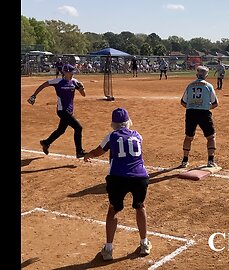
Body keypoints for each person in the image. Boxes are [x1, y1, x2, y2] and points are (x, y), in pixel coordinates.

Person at [83, 107, 152, 261]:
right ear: (128, 122)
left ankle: (108, 250)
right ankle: (144, 244)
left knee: (113, 210)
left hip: (118, 178)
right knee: (140, 206)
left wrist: (88, 155)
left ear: (113, 124)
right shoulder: (138, 135)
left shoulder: (112, 135)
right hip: (139, 176)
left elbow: (99, 151)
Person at [27, 64, 87, 158]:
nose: (72, 74)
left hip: (70, 111)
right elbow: (44, 85)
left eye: (72, 72)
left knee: (61, 130)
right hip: (62, 110)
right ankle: (79, 151)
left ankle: (46, 143)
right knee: (78, 128)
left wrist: (82, 89)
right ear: (65, 72)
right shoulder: (58, 81)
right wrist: (34, 95)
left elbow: (83, 94)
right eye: (70, 72)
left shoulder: (75, 82)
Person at [180, 66, 219, 168]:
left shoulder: (190, 86)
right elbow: (215, 103)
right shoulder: (209, 86)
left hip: (190, 113)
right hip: (204, 113)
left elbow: (183, 102)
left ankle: (184, 161)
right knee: (211, 137)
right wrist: (205, 106)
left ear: (197, 75)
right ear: (206, 75)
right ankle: (210, 161)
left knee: (188, 137)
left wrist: (192, 106)